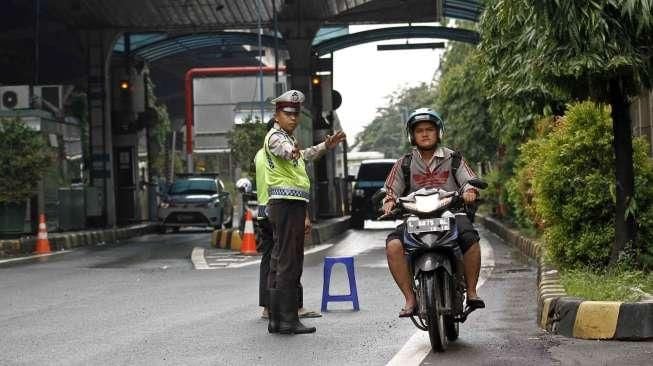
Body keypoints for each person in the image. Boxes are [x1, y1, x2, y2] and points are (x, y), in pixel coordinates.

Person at [382, 107, 485, 318]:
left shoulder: (454, 158)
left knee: (470, 239)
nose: (425, 134)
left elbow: (468, 181)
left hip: (452, 212)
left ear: (439, 132)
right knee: (393, 245)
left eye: (430, 129)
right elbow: (390, 190)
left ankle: (472, 292)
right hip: (414, 216)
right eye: (419, 130)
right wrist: (389, 201)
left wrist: (469, 191)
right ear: (412, 135)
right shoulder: (404, 163)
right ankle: (410, 298)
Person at [264, 89, 346, 335]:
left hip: (292, 205)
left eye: (296, 114)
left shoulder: (288, 138)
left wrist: (325, 145)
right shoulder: (276, 137)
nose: (293, 118)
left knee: (284, 259)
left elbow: (303, 156)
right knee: (289, 262)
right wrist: (292, 151)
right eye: (288, 113)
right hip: (285, 205)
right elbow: (286, 152)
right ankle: (287, 319)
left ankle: (278, 319)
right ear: (277, 115)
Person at [254, 119, 322, 320]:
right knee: (290, 259)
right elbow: (293, 181)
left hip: (263, 211)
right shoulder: (279, 153)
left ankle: (269, 307)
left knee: (271, 260)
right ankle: (294, 307)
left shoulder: (260, 155)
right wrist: (305, 215)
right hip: (281, 208)